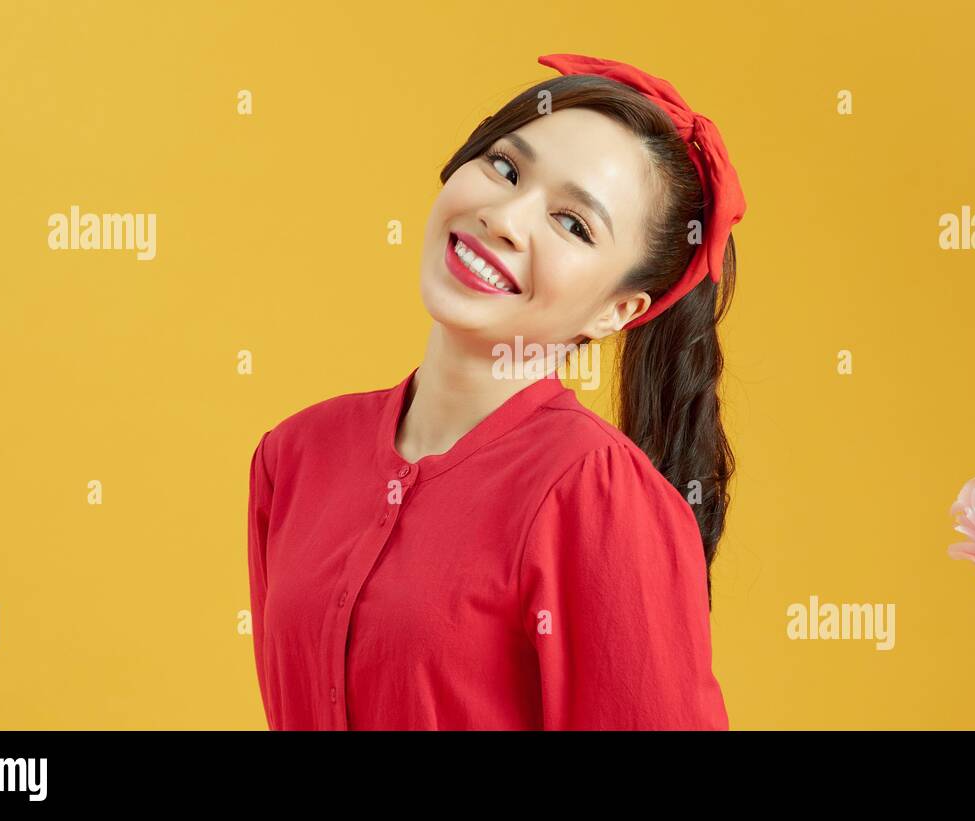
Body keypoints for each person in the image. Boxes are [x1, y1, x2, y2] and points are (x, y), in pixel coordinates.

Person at [247, 53, 746, 730]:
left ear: (618, 312)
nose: (505, 218)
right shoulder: (297, 455)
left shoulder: (596, 493)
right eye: (505, 168)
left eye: (573, 224)